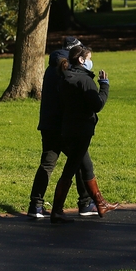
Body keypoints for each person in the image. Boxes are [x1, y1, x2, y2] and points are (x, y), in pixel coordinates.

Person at [28, 37, 98, 218]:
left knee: (47, 164)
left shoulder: (52, 67)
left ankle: (35, 205)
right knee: (81, 162)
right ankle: (85, 203)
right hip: (65, 126)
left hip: (48, 124)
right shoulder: (68, 70)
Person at [50, 45, 119, 223]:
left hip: (68, 129)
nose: (90, 62)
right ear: (81, 60)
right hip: (82, 130)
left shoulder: (64, 78)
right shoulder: (85, 80)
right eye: (88, 58)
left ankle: (100, 203)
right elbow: (97, 105)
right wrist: (104, 86)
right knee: (70, 169)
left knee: (86, 166)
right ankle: (57, 210)